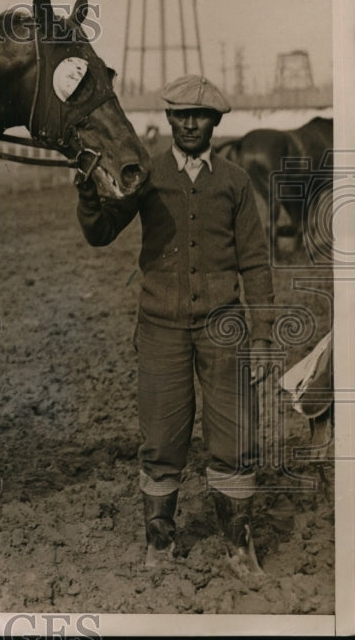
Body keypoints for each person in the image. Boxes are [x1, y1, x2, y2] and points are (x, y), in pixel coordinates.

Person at [75, 75, 274, 576]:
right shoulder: (146, 175)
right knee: (162, 439)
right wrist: (88, 195)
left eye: (200, 115)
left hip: (225, 330)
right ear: (168, 119)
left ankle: (239, 548)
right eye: (180, 114)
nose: (189, 123)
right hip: (160, 327)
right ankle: (159, 545)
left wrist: (266, 332)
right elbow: (101, 233)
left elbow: (255, 262)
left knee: (232, 437)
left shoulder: (234, 181)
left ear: (215, 122)